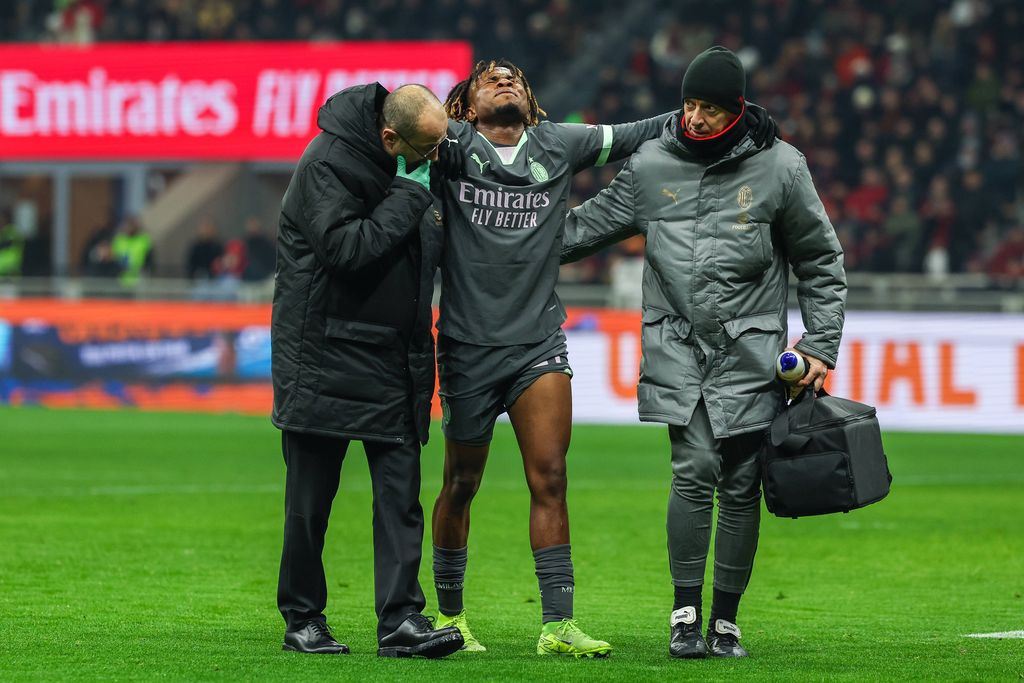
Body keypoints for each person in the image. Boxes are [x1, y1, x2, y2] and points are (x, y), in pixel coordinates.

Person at [429, 58, 779, 656]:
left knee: (551, 477)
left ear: (530, 98)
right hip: (466, 343)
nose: (506, 81)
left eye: (515, 77)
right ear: (466, 104)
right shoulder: (451, 146)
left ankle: (557, 625)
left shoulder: (558, 143)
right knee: (461, 482)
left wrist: (738, 118)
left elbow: (646, 131)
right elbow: (398, 128)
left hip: (537, 342)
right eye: (491, 79)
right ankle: (450, 616)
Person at [560, 46, 847, 659]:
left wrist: (821, 342)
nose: (693, 117)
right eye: (688, 104)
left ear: (736, 109)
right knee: (693, 472)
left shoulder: (782, 168)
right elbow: (577, 233)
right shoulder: (651, 164)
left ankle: (726, 623)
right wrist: (500, 229)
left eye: (708, 108)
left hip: (752, 355)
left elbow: (820, 261)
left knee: (741, 485)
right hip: (678, 347)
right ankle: (685, 617)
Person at [272, 82, 464, 658]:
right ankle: (303, 618)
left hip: (394, 359)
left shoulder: (414, 159)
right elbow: (347, 251)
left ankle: (401, 620)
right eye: (429, 148)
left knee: (401, 498)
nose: (437, 157)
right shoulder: (326, 164)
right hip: (322, 359)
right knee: (309, 504)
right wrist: (410, 192)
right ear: (389, 137)